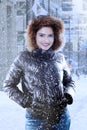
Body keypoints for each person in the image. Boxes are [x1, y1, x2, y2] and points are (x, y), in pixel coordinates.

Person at [3, 15, 75, 130]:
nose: (46, 40)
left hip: (62, 118)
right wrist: (26, 101)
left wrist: (68, 95)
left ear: (55, 37)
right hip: (36, 120)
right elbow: (8, 85)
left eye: (50, 35)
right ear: (34, 36)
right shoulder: (23, 58)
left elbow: (69, 81)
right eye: (42, 35)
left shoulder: (60, 58)